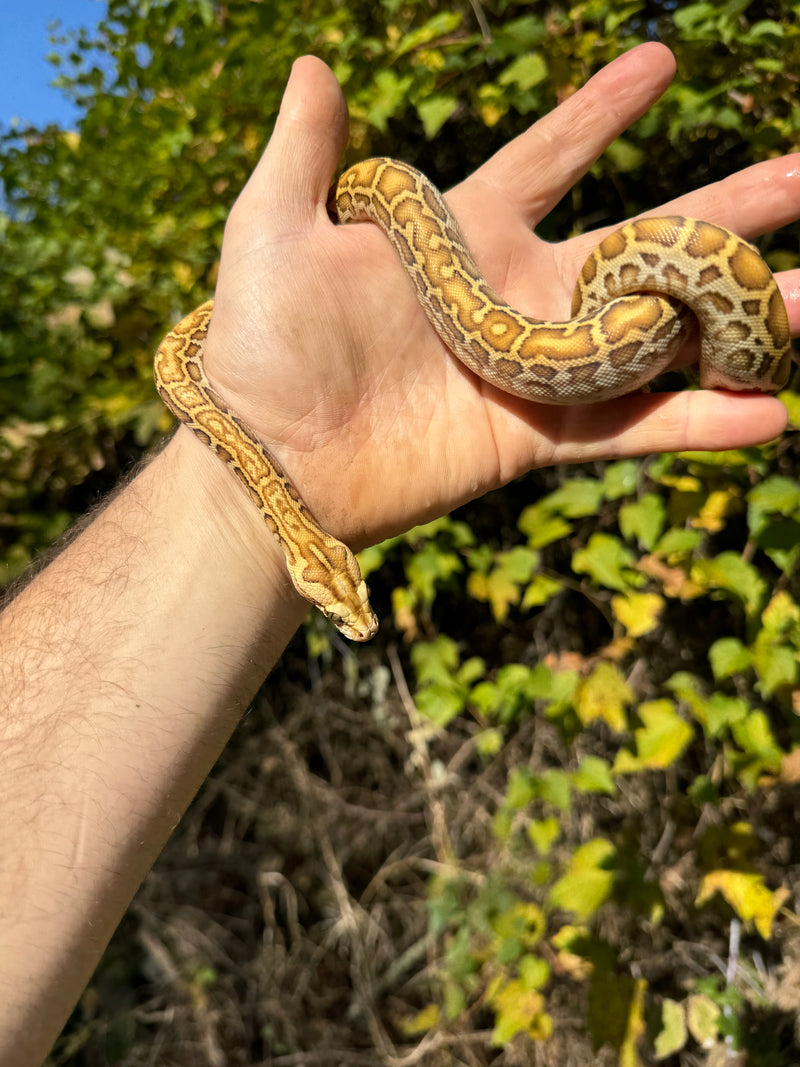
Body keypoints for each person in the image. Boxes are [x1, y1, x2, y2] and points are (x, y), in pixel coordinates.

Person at [0, 43, 796, 1066]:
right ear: (313, 563)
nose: (350, 608)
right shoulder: (216, 399)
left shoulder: (281, 428)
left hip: (568, 304)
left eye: (341, 595)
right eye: (337, 600)